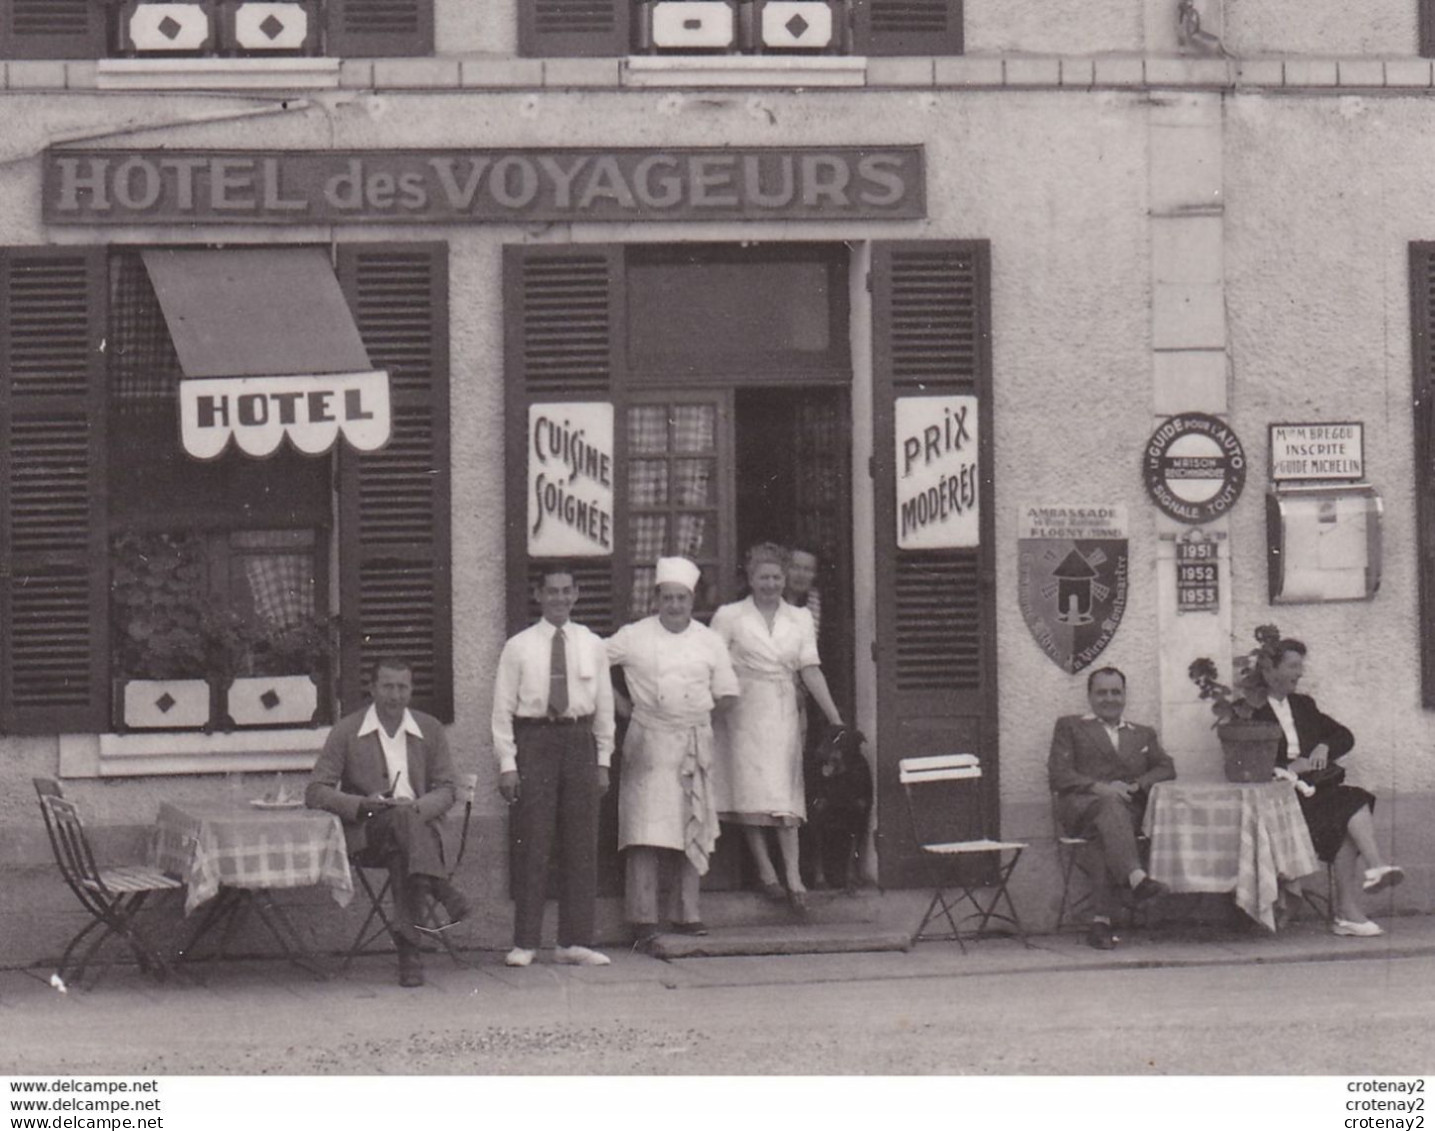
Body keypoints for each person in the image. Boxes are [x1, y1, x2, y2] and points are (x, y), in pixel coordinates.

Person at [306, 656, 470, 987]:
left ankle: (409, 954)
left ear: (411, 689)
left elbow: (449, 788)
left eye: (403, 687)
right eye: (388, 687)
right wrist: (361, 804)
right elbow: (316, 791)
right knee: (397, 825)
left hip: (415, 831)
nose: (395, 695)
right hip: (370, 834)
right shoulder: (347, 730)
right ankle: (441, 888)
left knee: (402, 847)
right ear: (372, 688)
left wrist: (416, 809)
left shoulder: (429, 728)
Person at [605, 556, 739, 947]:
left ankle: (686, 913)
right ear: (656, 599)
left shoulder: (709, 641)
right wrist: (622, 706)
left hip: (692, 740)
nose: (675, 605)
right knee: (644, 830)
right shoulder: (634, 636)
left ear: (692, 600)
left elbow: (728, 692)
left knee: (689, 823)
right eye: (668, 598)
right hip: (647, 739)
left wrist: (702, 722)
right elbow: (592, 663)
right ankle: (643, 918)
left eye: (682, 598)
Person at [492, 563, 616, 969]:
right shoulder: (519, 646)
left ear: (576, 595)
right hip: (535, 740)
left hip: (579, 740)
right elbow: (501, 710)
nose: (560, 598)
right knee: (534, 840)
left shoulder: (592, 644)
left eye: (567, 591)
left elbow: (604, 709)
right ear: (538, 596)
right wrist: (507, 763)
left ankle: (574, 940)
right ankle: (526, 941)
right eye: (552, 591)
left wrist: (602, 760)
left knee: (581, 842)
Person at [712, 542, 844, 913]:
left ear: (785, 580)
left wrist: (834, 717)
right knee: (748, 789)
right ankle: (766, 871)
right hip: (740, 709)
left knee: (785, 792)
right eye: (762, 577)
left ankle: (794, 877)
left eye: (776, 577)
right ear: (750, 579)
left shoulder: (799, 618)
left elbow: (810, 669)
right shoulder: (729, 616)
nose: (770, 583)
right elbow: (712, 663)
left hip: (784, 708)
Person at [1249, 638, 1402, 936]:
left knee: (1354, 802)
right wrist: (1287, 768)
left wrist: (1323, 746)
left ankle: (1366, 883)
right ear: (1270, 670)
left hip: (1313, 794)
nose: (1300, 673)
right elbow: (1243, 763)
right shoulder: (1251, 711)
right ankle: (1352, 906)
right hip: (1280, 801)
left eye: (1301, 666)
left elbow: (1345, 735)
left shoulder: (1304, 705)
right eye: (1293, 666)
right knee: (1348, 812)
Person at [1049, 666, 1174, 950]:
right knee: (1109, 805)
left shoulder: (1142, 734)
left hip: (1124, 817)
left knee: (1105, 838)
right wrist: (1102, 788)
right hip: (1082, 809)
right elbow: (1059, 774)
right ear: (1090, 696)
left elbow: (1167, 767)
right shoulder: (1070, 726)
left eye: (1116, 692)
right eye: (1102, 692)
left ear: (1125, 695)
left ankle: (1100, 923)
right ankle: (1136, 878)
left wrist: (1136, 785)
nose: (1109, 698)